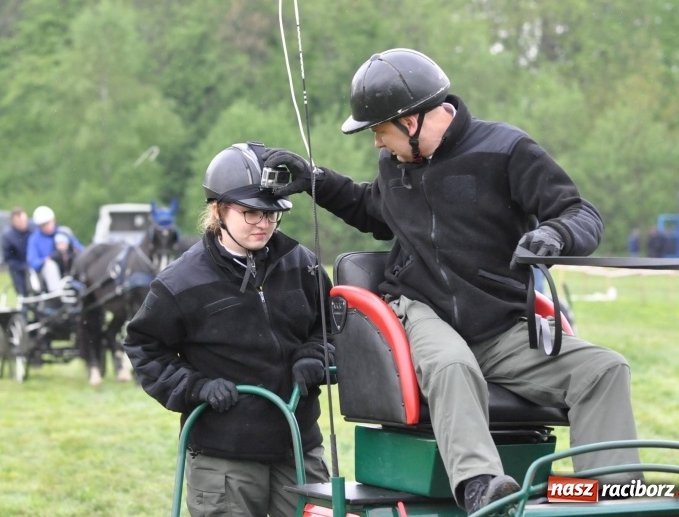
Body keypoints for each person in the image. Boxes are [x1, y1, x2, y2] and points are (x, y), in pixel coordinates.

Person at [263, 48, 642, 514]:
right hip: (422, 310)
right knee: (451, 366)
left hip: (501, 325)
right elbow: (372, 211)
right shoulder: (395, 167)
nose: (377, 144)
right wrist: (316, 180)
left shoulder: (506, 150)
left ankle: (612, 496)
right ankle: (482, 487)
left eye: (380, 130)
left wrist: (555, 234)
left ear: (411, 121)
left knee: (604, 369)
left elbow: (579, 212)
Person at [124, 142, 334, 517]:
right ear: (218, 210)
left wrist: (316, 356)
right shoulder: (180, 282)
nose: (263, 223)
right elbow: (145, 348)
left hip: (299, 446)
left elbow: (333, 328)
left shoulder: (303, 264)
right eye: (250, 212)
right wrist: (196, 387)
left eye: (272, 213)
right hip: (223, 457)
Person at [26, 205, 84, 293]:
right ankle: (57, 294)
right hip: (48, 272)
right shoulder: (34, 239)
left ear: (53, 220)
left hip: (68, 266)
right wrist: (45, 260)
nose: (46, 227)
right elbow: (33, 262)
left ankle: (84, 287)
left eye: (48, 223)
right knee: (50, 265)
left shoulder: (64, 232)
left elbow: (80, 249)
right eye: (43, 225)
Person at [2, 207, 34, 296]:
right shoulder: (8, 236)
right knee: (21, 290)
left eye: (24, 220)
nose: (23, 224)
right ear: (13, 222)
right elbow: (8, 257)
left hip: (34, 264)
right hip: (18, 266)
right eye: (20, 222)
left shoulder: (34, 228)